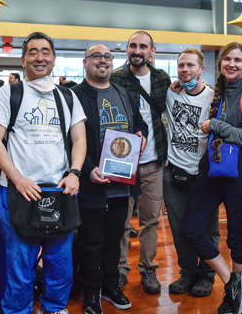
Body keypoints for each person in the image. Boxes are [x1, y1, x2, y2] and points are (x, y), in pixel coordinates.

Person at [0, 32, 87, 314]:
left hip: (59, 190)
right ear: (23, 59)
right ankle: (17, 310)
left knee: (60, 260)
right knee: (19, 262)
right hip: (17, 190)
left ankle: (55, 308)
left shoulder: (67, 96)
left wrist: (75, 173)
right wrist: (17, 179)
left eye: (45, 51)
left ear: (54, 58)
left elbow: (79, 139)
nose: (39, 57)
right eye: (32, 52)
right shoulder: (9, 93)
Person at [183, 42, 242, 314]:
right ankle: (232, 282)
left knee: (238, 236)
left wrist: (215, 125)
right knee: (191, 229)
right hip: (211, 168)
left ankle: (236, 298)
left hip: (240, 171)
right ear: (219, 64)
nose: (232, 64)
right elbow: (189, 87)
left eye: (238, 60)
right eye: (227, 59)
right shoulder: (214, 92)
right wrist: (177, 83)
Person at [70, 44, 148, 313]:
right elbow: (70, 139)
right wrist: (88, 168)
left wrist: (141, 135)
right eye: (96, 57)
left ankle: (112, 286)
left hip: (121, 183)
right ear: (85, 63)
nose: (102, 61)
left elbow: (139, 124)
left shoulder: (124, 94)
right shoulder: (74, 96)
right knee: (91, 241)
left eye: (107, 57)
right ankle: (91, 292)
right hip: (91, 181)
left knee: (115, 239)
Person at [109, 31, 171, 293]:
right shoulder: (116, 79)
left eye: (143, 46)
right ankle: (120, 270)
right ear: (127, 49)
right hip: (123, 162)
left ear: (152, 51)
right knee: (121, 222)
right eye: (133, 46)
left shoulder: (162, 79)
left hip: (154, 162)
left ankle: (148, 269)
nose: (138, 50)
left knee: (150, 221)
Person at [164, 48, 219, 297]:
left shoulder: (214, 98)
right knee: (179, 228)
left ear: (201, 69)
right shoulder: (170, 92)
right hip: (173, 171)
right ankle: (187, 273)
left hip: (204, 176)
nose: (185, 70)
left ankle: (207, 275)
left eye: (190, 66)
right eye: (181, 66)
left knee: (207, 229)